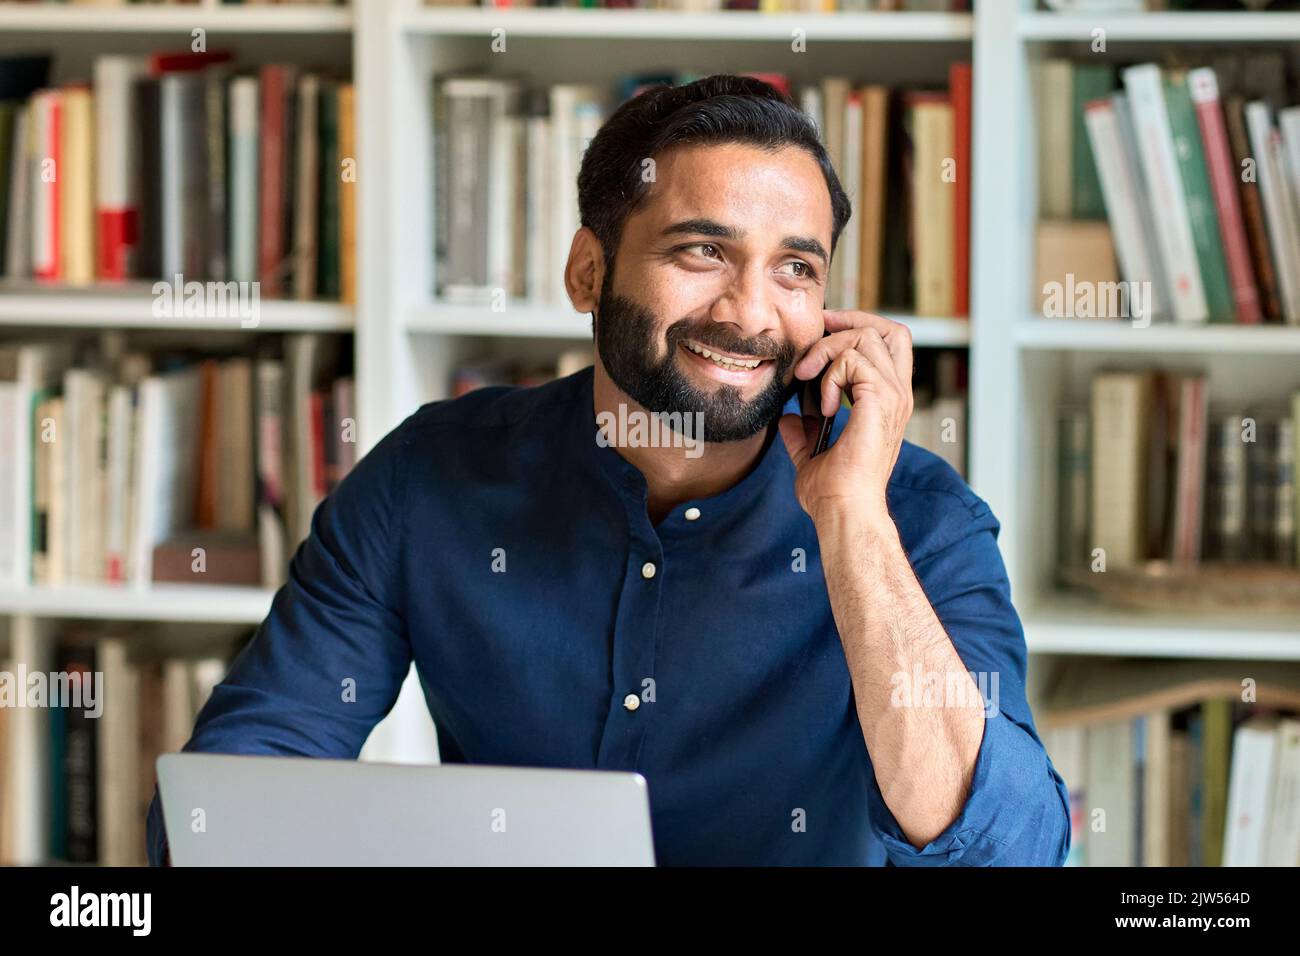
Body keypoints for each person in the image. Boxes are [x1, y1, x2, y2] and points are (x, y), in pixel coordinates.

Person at [147, 74, 1070, 866]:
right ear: (589, 272)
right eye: (702, 250)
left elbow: (1005, 849)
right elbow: (227, 799)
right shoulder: (427, 480)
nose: (750, 313)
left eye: (796, 269)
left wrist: (852, 520)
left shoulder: (917, 516)